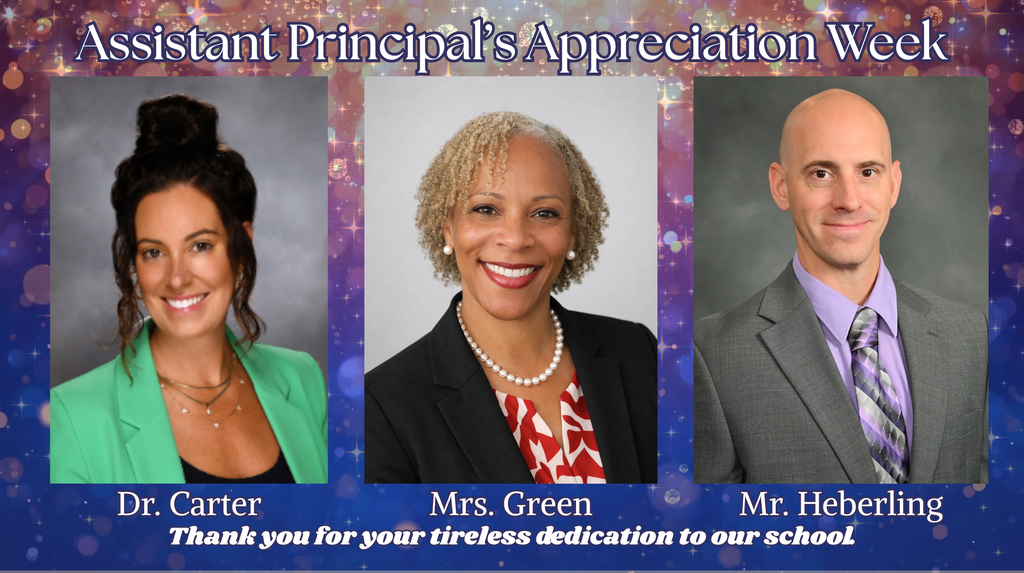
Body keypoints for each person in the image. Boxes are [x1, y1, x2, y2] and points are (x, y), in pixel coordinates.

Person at [694, 89, 988, 484]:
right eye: (821, 173)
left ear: (893, 185)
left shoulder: (971, 335)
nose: (848, 200)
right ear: (781, 186)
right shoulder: (711, 355)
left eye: (868, 172)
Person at [365, 111, 657, 484]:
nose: (516, 238)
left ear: (571, 235)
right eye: (486, 209)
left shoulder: (640, 352)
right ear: (449, 229)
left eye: (545, 213)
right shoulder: (380, 406)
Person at [50, 94, 327, 484]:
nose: (176, 278)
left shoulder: (302, 379)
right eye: (153, 251)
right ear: (134, 262)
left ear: (241, 245)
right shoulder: (73, 418)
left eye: (200, 245)